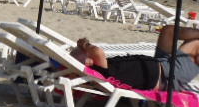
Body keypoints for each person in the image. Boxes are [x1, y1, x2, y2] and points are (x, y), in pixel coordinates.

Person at [71, 25, 199, 91]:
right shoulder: (101, 69)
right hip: (167, 77)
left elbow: (94, 53)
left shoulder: (103, 66)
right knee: (197, 44)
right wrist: (84, 45)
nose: (86, 56)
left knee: (168, 30)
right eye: (82, 55)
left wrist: (83, 50)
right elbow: (97, 51)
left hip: (160, 64)